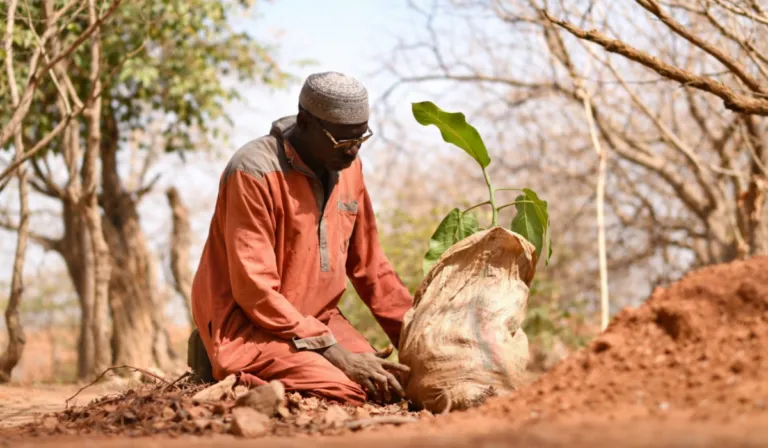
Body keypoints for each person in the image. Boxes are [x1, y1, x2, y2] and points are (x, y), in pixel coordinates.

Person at [188, 71, 414, 405]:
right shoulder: (253, 171)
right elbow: (255, 290)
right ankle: (215, 356)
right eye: (342, 142)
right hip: (251, 323)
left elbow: (371, 267)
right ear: (305, 121)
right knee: (346, 390)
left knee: (387, 387)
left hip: (317, 321)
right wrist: (335, 354)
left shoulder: (349, 169)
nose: (352, 153)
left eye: (360, 140)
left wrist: (415, 335)